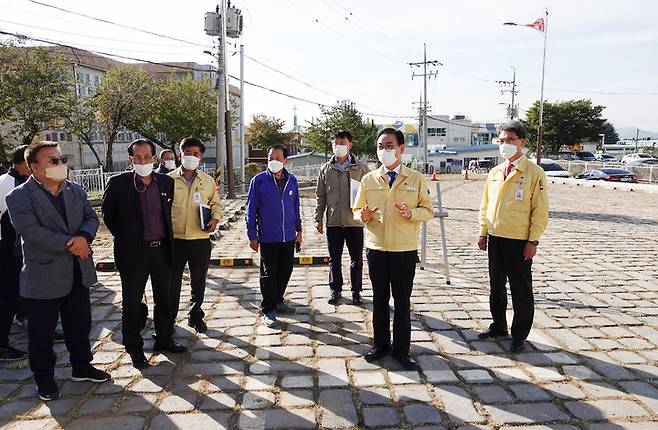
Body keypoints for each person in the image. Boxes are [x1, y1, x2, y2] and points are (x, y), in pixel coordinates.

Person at [6, 142, 110, 401]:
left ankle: (82, 366)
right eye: (53, 160)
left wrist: (84, 237)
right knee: (41, 333)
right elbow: (31, 232)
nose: (60, 163)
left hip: (78, 271)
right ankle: (45, 380)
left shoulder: (74, 189)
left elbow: (91, 217)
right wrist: (72, 244)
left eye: (61, 158)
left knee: (80, 324)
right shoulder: (18, 197)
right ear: (34, 167)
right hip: (43, 276)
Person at [102, 139, 186, 370]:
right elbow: (109, 216)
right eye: (137, 157)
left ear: (154, 158)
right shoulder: (118, 183)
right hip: (133, 252)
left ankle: (164, 337)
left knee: (165, 298)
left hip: (162, 250)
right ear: (131, 159)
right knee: (131, 302)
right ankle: (134, 348)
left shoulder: (165, 182)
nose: (142, 161)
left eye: (146, 157)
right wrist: (128, 236)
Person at [353, 128, 433, 370]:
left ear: (401, 149)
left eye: (389, 145)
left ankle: (401, 350)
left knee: (401, 302)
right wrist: (363, 215)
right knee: (379, 300)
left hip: (404, 251)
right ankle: (380, 345)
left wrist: (411, 213)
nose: (384, 150)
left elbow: (428, 211)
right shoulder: (368, 179)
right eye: (380, 146)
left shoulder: (416, 179)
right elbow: (357, 211)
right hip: (376, 249)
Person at [477, 120, 549, 351]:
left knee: (520, 290)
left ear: (522, 143)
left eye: (510, 140)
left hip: (519, 241)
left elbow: (540, 210)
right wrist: (483, 232)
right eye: (502, 140)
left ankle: (519, 334)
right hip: (495, 237)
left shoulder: (534, 172)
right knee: (496, 287)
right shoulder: (496, 172)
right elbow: (485, 204)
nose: (505, 144)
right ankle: (498, 325)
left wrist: (533, 240)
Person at [168, 137, 221, 334]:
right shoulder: (168, 180)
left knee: (198, 281)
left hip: (199, 239)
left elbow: (216, 204)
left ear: (201, 157)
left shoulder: (207, 181)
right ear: (180, 154)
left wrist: (214, 220)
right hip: (174, 241)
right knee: (171, 282)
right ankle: (169, 318)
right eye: (187, 153)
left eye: (196, 154)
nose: (191, 157)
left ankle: (195, 315)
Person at [246, 144, 302, 326]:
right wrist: (252, 235)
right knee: (269, 274)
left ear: (285, 161)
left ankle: (278, 299)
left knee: (286, 270)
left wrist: (299, 230)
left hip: (288, 236)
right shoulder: (259, 181)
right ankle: (268, 309)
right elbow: (251, 209)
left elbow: (295, 207)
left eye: (278, 158)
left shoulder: (292, 180)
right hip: (268, 236)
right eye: (271, 158)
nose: (273, 161)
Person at [315, 130, 370, 305]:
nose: (339, 146)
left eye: (343, 143)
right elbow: (320, 196)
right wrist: (318, 218)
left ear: (350, 144)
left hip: (355, 221)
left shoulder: (361, 168)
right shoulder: (325, 169)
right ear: (332, 146)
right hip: (333, 222)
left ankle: (356, 291)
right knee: (334, 259)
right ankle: (335, 289)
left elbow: (371, 193)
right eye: (336, 143)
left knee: (356, 259)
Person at [0, 145, 30, 361]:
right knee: (7, 296)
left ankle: (24, 317)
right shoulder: (8, 185)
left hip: (16, 250)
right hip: (7, 251)